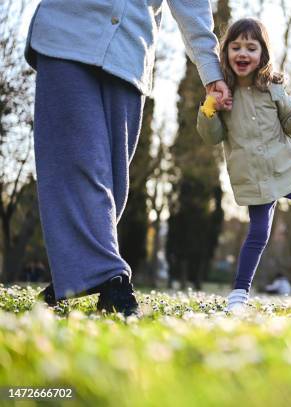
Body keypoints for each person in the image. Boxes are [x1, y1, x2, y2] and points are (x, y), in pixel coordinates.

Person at [25, 0, 230, 316]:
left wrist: (210, 70)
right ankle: (110, 280)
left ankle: (78, 273)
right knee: (79, 161)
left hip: (130, 52)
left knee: (112, 179)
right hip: (68, 34)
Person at [197, 18, 291, 313]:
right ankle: (239, 294)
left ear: (262, 55)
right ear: (226, 52)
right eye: (236, 47)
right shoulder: (221, 93)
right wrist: (209, 108)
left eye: (251, 48)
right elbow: (212, 136)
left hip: (285, 164)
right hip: (254, 177)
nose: (243, 53)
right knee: (258, 233)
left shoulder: (272, 88)